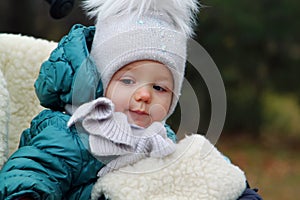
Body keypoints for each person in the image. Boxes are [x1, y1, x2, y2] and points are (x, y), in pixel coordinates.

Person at [0, 0, 262, 199]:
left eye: (159, 88)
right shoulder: (70, 133)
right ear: (100, 83)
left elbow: (191, 174)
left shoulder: (160, 139)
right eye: (127, 81)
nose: (144, 95)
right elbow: (27, 176)